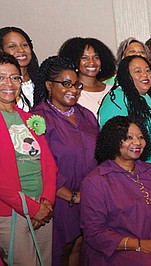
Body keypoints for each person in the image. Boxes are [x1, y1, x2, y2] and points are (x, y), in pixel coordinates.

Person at [80, 116, 151, 265]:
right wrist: (141, 245)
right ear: (113, 141)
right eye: (129, 138)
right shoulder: (96, 180)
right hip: (115, 250)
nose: (137, 142)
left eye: (141, 137)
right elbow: (94, 233)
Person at [31, 56, 98, 266]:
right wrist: (70, 196)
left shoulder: (86, 115)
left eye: (77, 84)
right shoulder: (38, 118)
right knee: (60, 251)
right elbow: (38, 165)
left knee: (81, 246)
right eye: (66, 84)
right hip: (58, 200)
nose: (74, 89)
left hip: (88, 197)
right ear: (50, 85)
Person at [0, 51, 56, 265]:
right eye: (1, 77)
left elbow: (49, 164)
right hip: (9, 212)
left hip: (42, 209)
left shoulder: (29, 118)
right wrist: (32, 209)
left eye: (15, 77)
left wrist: (46, 202)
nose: (9, 83)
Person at [99, 55, 151, 181]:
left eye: (147, 70)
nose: (144, 74)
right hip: (139, 172)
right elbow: (112, 139)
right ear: (126, 75)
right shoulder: (117, 98)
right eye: (138, 71)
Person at [58, 37, 116, 118]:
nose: (92, 62)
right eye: (85, 58)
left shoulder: (113, 91)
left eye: (96, 57)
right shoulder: (70, 93)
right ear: (74, 61)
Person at [0, 27, 40, 111]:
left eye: (24, 45)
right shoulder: (4, 85)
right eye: (12, 46)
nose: (21, 50)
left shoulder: (41, 80)